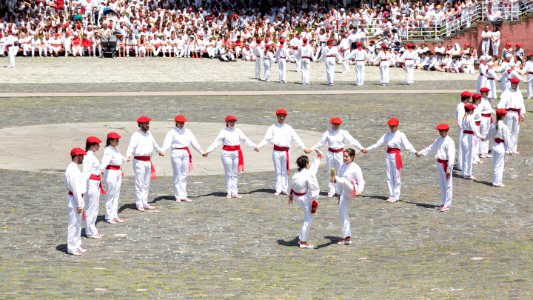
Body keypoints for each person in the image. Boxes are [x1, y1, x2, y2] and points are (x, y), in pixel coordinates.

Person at [256, 109, 310, 195]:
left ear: (285, 117)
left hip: (285, 151)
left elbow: (296, 138)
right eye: (280, 116)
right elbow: (267, 138)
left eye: (283, 116)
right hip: (276, 151)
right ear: (277, 117)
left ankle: (285, 188)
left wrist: (303, 147)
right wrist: (259, 146)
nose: (281, 118)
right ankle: (278, 188)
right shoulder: (272, 127)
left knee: (284, 171)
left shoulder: (288, 128)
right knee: (278, 170)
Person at [362, 118, 417, 202]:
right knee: (389, 175)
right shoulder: (387, 134)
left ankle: (396, 195)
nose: (392, 127)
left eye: (394, 126)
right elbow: (378, 143)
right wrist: (368, 149)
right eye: (391, 126)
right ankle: (391, 194)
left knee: (396, 176)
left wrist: (414, 152)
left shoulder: (401, 135)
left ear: (397, 126)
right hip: (388, 155)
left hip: (396, 156)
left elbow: (407, 145)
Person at [204, 115, 257, 198]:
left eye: (233, 122)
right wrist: (208, 151)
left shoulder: (238, 130)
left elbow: (245, 139)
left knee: (235, 173)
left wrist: (254, 146)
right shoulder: (223, 131)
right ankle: (229, 191)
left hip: (236, 153)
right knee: (229, 173)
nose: (232, 123)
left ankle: (235, 192)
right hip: (226, 154)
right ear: (227, 122)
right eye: (230, 122)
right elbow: (216, 142)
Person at [310, 117, 364, 197]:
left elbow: (352, 140)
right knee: (330, 171)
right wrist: (311, 149)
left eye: (337, 124)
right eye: (334, 124)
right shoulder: (328, 132)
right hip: (330, 153)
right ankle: (332, 189)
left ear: (339, 125)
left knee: (340, 171)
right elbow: (321, 143)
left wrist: (361, 148)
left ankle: (340, 189)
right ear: (331, 124)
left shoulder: (343, 132)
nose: (335, 126)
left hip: (340, 153)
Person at [161, 114, 204, 202]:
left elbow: (194, 143)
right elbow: (167, 143)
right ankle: (178, 195)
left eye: (183, 123)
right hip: (176, 152)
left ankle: (184, 195)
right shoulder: (171, 132)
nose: (181, 124)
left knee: (184, 174)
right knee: (177, 174)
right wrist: (163, 150)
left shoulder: (187, 131)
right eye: (180, 123)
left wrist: (202, 152)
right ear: (176, 123)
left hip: (185, 152)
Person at [126, 116, 164, 211]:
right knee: (139, 183)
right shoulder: (136, 135)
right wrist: (128, 155)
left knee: (146, 183)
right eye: (146, 123)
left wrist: (159, 151)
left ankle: (145, 202)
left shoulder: (149, 134)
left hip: (147, 161)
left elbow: (154, 144)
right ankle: (139, 203)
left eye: (148, 123)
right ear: (141, 124)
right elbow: (131, 146)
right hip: (139, 161)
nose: (148, 125)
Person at [416, 124, 455, 212]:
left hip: (446, 164)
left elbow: (451, 156)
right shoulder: (438, 140)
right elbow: (431, 148)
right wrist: (421, 153)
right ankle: (443, 202)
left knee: (448, 185)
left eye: (442, 131)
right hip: (439, 163)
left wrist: (449, 168)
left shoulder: (449, 141)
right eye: (439, 131)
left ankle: (447, 204)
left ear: (446, 131)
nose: (440, 132)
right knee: (442, 184)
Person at [329, 148, 365, 245]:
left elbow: (361, 181)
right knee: (342, 213)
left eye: (347, 157)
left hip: (353, 188)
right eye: (344, 156)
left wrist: (359, 190)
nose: (344, 158)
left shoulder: (356, 167)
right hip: (344, 192)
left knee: (344, 181)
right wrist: (338, 193)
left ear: (352, 157)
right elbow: (340, 185)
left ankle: (334, 178)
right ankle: (347, 237)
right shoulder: (342, 167)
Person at [288, 153, 321, 249]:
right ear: (307, 164)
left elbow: (290, 187)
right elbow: (314, 188)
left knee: (308, 217)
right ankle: (303, 241)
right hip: (305, 199)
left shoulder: (295, 175)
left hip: (296, 197)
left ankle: (302, 237)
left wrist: (290, 195)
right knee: (308, 219)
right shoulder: (308, 175)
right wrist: (315, 200)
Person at [100, 132, 126, 224]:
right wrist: (101, 170)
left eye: (118, 140)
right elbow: (105, 161)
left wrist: (126, 158)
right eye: (116, 140)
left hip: (118, 171)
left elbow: (119, 158)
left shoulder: (116, 149)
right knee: (110, 194)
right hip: (111, 172)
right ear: (110, 140)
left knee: (116, 194)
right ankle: (108, 216)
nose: (118, 141)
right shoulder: (108, 150)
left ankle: (114, 215)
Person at [65, 148, 87, 256]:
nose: (83, 158)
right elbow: (76, 189)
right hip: (75, 198)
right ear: (77, 157)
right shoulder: (72, 170)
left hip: (77, 197)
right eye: (82, 156)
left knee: (78, 223)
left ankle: (77, 244)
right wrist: (80, 204)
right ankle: (71, 247)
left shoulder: (75, 168)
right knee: (73, 223)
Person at [82, 136, 105, 239]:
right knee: (91, 207)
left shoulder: (92, 155)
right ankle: (90, 231)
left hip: (95, 183)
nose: (99, 146)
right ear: (92, 145)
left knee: (94, 207)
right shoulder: (87, 156)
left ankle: (92, 229)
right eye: (97, 144)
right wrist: (83, 187)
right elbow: (86, 172)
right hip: (91, 183)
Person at [497, 77, 526, 154]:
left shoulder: (519, 92)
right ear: (511, 83)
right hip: (509, 112)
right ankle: (507, 147)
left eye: (517, 83)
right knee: (508, 131)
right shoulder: (506, 92)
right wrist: (501, 111)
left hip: (517, 113)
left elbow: (521, 103)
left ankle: (513, 147)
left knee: (516, 131)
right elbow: (502, 102)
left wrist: (522, 113)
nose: (515, 85)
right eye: (514, 83)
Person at [486, 109, 511, 187]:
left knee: (495, 164)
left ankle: (495, 181)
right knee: (499, 165)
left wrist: (484, 138)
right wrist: (509, 149)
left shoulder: (493, 124)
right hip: (500, 146)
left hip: (494, 145)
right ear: (503, 116)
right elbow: (507, 138)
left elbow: (488, 134)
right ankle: (497, 182)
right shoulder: (504, 126)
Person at [461, 103, 484, 179]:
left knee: (464, 155)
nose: (473, 110)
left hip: (464, 136)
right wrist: (480, 136)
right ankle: (468, 173)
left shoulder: (464, 117)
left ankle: (464, 173)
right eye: (472, 109)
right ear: (470, 110)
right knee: (469, 156)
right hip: (469, 137)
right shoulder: (470, 118)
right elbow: (474, 128)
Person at [456, 91, 471, 171]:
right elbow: (460, 119)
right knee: (461, 147)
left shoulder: (463, 105)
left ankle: (462, 163)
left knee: (463, 146)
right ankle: (460, 165)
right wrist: (463, 128)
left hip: (464, 128)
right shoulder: (461, 106)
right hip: (462, 129)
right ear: (467, 98)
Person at [478, 88, 494, 158]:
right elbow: (479, 110)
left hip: (488, 118)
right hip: (483, 118)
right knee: (483, 134)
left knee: (487, 135)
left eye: (487, 92)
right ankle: (481, 152)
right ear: (482, 92)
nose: (487, 93)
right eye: (486, 92)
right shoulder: (480, 100)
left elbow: (490, 109)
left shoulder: (486, 99)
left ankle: (485, 151)